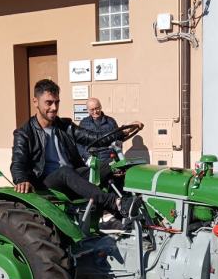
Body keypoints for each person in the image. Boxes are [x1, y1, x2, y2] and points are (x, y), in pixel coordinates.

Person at [11, 79, 142, 219]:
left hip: (72, 174)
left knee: (109, 167)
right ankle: (115, 203)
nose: (54, 107)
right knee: (65, 172)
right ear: (35, 101)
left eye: (57, 102)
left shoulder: (64, 125)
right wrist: (21, 179)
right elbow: (18, 162)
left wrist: (120, 132)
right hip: (46, 181)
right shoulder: (24, 133)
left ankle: (127, 213)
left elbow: (93, 138)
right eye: (49, 103)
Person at [77, 97, 119, 162]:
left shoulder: (111, 122)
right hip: (91, 159)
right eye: (92, 109)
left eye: (97, 108)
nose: (95, 111)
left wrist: (115, 155)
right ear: (88, 110)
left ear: (100, 107)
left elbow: (118, 139)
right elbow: (79, 144)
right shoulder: (83, 123)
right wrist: (86, 156)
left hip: (108, 158)